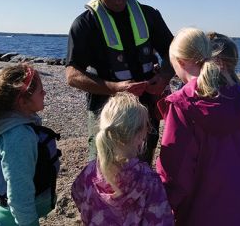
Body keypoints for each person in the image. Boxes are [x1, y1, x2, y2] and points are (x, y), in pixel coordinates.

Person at [66, 0, 174, 164]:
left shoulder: (149, 15)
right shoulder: (84, 24)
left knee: (141, 166)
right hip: (106, 110)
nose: (119, 1)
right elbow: (72, 75)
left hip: (145, 109)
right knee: (103, 167)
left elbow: (175, 54)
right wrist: (115, 87)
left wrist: (164, 77)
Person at [156, 28, 240, 225]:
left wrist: (164, 204)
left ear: (179, 62)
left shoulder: (183, 104)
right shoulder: (237, 95)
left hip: (201, 211)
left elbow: (175, 170)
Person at [71, 92, 174, 225]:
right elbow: (161, 221)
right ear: (140, 136)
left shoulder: (91, 171)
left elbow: (77, 195)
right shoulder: (149, 181)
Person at [0, 64, 58, 226]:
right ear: (22, 102)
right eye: (41, 91)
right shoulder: (19, 137)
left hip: (6, 211)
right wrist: (29, 223)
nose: (45, 93)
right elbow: (19, 193)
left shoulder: (2, 119)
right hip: (16, 218)